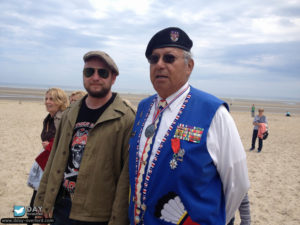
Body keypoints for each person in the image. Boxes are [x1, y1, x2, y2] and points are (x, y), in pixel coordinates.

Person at [128, 27, 250, 225]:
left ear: (189, 66)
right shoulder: (143, 108)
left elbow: (237, 183)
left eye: (169, 58)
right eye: (153, 59)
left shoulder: (213, 112)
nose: (159, 64)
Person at [34, 51, 135, 224]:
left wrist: (118, 220)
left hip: (95, 215)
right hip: (59, 206)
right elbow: (54, 160)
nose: (95, 77)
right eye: (89, 72)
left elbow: (125, 178)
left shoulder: (126, 118)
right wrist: (42, 202)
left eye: (102, 72)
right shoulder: (69, 113)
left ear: (113, 78)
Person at [27, 87, 69, 225]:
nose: (47, 102)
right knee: (38, 198)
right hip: (45, 162)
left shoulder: (62, 117)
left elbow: (65, 143)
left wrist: (50, 146)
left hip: (55, 167)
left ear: (60, 101)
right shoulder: (50, 118)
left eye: (51, 99)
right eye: (46, 99)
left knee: (43, 200)